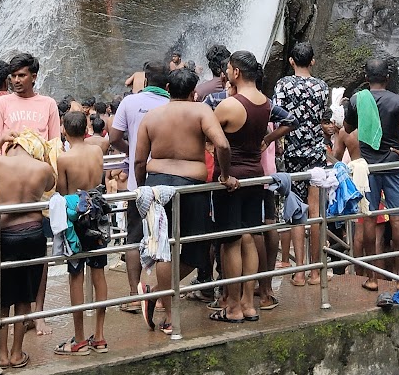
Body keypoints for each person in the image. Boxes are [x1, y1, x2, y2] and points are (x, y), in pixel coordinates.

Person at [133, 67, 229, 332]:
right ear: (192, 92)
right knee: (198, 245)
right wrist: (226, 175)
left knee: (164, 246)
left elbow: (140, 160)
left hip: (156, 186)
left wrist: (143, 190)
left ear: (167, 88)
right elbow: (222, 145)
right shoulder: (201, 111)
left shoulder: (152, 116)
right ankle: (166, 310)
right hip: (191, 186)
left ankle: (158, 296)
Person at [351, 57, 399, 297]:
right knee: (397, 218)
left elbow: (347, 128)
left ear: (366, 77)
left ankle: (373, 278)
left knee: (370, 219)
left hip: (368, 167)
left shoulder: (357, 99)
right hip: (393, 165)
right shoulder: (398, 100)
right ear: (388, 77)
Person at [0, 131, 55, 368]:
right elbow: (52, 185)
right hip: (33, 232)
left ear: (14, 146)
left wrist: (0, 141)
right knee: (25, 295)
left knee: (3, 297)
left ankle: (0, 355)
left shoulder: (1, 161)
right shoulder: (42, 168)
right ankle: (17, 353)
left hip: (5, 233)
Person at [212, 50, 272, 324]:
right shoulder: (266, 102)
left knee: (231, 241)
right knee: (249, 237)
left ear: (236, 72)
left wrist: (224, 175)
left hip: (232, 179)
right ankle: (249, 303)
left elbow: (217, 140)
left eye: (228, 69)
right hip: (256, 176)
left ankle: (233, 306)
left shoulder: (230, 106)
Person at [108, 58, 171, 312]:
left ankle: (134, 294)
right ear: (167, 83)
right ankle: (161, 291)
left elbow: (114, 138)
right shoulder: (171, 104)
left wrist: (131, 151)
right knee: (166, 238)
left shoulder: (129, 102)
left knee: (134, 237)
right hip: (165, 182)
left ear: (144, 80)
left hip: (136, 183)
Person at [54, 111, 111, 355]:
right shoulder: (97, 151)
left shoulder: (64, 159)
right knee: (99, 274)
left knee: (76, 275)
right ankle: (99, 336)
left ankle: (78, 339)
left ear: (65, 130)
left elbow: (63, 192)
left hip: (77, 219)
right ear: (86, 128)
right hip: (98, 214)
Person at [274, 41, 329, 287]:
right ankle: (316, 272)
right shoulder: (322, 87)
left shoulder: (283, 84)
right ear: (313, 61)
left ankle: (299, 272)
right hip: (317, 153)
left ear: (291, 61)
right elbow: (321, 115)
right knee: (316, 211)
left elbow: (277, 115)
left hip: (293, 152)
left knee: (297, 209)